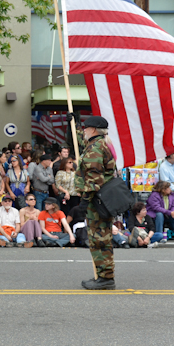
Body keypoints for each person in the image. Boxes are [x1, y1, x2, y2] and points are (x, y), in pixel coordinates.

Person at [75, 116, 117, 291]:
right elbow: (82, 140)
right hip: (101, 199)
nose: (83, 131)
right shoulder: (99, 144)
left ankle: (105, 277)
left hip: (96, 201)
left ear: (93, 130)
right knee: (102, 238)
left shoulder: (95, 149)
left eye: (85, 128)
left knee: (99, 240)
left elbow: (94, 180)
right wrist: (75, 125)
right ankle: (104, 275)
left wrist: (84, 202)